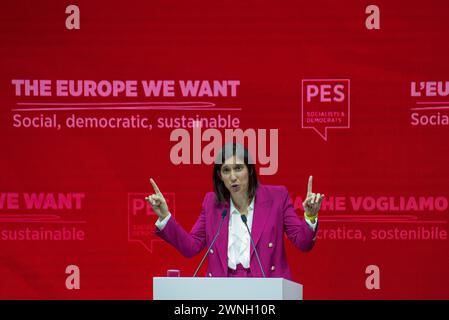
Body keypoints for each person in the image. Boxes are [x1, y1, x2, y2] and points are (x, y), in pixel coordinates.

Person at [146, 143, 324, 280]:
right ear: (219, 176)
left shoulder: (277, 197)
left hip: (268, 288)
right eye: (226, 170)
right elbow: (191, 247)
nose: (233, 176)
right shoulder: (212, 204)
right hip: (222, 289)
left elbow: (303, 243)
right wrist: (164, 216)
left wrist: (310, 215)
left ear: (250, 170)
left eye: (238, 168)